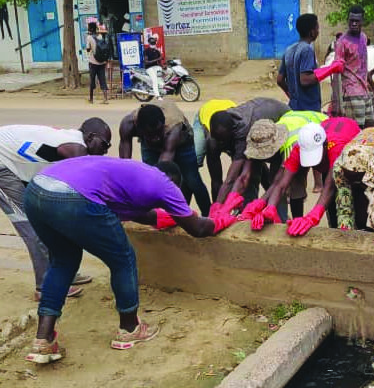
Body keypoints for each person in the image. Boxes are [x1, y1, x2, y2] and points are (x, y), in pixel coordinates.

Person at [23, 157, 236, 364]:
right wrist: (223, 220)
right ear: (175, 184)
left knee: (63, 261)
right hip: (74, 197)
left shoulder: (133, 174)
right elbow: (198, 229)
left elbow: (141, 214)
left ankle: (44, 338)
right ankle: (129, 329)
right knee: (122, 259)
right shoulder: (166, 186)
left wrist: (169, 217)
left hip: (37, 190)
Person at [0, 119, 111, 301]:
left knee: (50, 219)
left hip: (15, 164)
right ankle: (45, 287)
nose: (106, 151)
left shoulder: (71, 141)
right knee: (31, 226)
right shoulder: (77, 150)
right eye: (105, 144)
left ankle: (62, 273)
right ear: (90, 137)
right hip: (2, 164)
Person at [251, 117, 361, 236]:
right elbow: (281, 184)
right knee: (332, 213)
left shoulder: (336, 147)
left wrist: (312, 217)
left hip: (352, 156)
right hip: (329, 136)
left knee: (351, 202)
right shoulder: (299, 147)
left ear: (325, 145)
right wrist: (269, 208)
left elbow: (330, 187)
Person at [277, 13, 343, 193]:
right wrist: (331, 68)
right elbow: (305, 79)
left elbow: (279, 79)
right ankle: (318, 184)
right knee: (315, 141)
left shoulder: (290, 49)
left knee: (297, 147)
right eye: (317, 27)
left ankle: (297, 187)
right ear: (312, 30)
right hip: (309, 109)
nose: (318, 30)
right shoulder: (306, 50)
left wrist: (292, 94)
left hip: (294, 107)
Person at [119, 101, 211, 216]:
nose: (156, 138)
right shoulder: (127, 125)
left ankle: (208, 215)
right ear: (139, 128)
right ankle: (157, 215)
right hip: (149, 146)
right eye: (151, 134)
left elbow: (163, 171)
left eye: (158, 132)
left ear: (163, 125)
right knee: (149, 180)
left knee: (192, 180)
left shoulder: (174, 127)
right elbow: (124, 165)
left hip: (182, 143)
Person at [235, 110, 328, 222]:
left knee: (295, 182)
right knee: (276, 180)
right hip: (297, 121)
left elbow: (280, 182)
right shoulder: (266, 132)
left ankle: (296, 220)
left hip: (318, 134)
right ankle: (281, 218)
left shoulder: (291, 145)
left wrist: (260, 206)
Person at [207, 98, 289, 212]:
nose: (219, 144)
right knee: (250, 176)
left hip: (280, 124)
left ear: (232, 133)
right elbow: (219, 180)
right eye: (217, 139)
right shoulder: (215, 138)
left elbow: (231, 179)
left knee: (277, 180)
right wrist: (216, 205)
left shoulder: (242, 132)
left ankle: (278, 217)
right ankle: (247, 213)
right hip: (259, 121)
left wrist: (222, 208)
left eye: (222, 140)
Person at [332, 5, 374, 128]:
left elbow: (362, 66)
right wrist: (336, 101)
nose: (353, 23)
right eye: (351, 20)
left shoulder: (363, 37)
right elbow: (336, 73)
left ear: (362, 21)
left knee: (370, 128)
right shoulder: (342, 43)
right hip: (351, 93)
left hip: (364, 91)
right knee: (356, 131)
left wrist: (373, 89)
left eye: (357, 21)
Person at [192, 99, 236, 168]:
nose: (221, 143)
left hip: (227, 107)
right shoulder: (210, 132)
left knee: (238, 156)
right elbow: (213, 159)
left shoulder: (239, 129)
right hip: (206, 109)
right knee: (195, 157)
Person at [86, 22, 109, 105]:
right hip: (102, 62)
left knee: (92, 80)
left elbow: (88, 49)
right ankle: (105, 99)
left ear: (90, 29)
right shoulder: (100, 36)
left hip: (93, 62)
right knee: (102, 79)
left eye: (88, 27)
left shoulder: (89, 37)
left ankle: (91, 99)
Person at [144, 35, 163, 100]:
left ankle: (162, 90)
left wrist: (163, 67)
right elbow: (146, 62)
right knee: (155, 79)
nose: (153, 44)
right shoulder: (146, 51)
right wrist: (157, 59)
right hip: (149, 68)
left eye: (154, 43)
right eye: (152, 43)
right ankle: (157, 96)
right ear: (149, 44)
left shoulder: (157, 51)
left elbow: (160, 60)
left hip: (156, 67)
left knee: (163, 76)